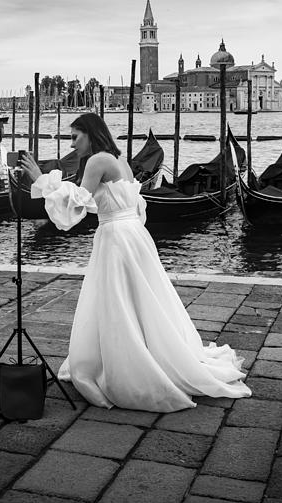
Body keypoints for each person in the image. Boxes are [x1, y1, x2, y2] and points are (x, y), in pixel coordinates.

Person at [20, 112, 250, 412]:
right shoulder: (119, 159)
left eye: (75, 136)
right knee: (137, 298)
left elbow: (77, 201)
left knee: (117, 300)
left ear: (90, 134)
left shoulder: (97, 161)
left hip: (117, 237)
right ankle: (143, 352)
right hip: (131, 234)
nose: (72, 143)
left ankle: (128, 365)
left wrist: (39, 178)